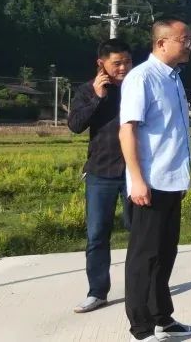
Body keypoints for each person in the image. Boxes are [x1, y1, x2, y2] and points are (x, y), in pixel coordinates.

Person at [119, 17, 191, 341]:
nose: (189, 44)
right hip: (150, 183)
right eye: (184, 39)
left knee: (166, 253)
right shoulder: (143, 78)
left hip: (172, 180)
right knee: (144, 256)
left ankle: (162, 317)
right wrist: (136, 180)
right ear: (162, 43)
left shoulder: (174, 79)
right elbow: (128, 130)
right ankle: (140, 328)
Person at [68, 38, 133, 314]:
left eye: (128, 62)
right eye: (117, 63)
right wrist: (97, 96)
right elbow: (75, 125)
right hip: (100, 172)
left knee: (139, 232)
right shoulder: (87, 91)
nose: (123, 68)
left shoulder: (137, 88)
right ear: (101, 64)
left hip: (134, 172)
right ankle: (97, 292)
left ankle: (140, 286)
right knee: (96, 235)